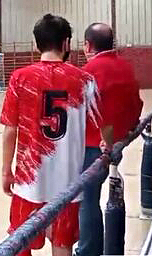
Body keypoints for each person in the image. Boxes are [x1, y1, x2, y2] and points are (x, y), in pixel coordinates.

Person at [0, 14, 100, 256]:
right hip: (68, 182)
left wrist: (6, 170)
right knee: (63, 244)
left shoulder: (20, 78)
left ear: (36, 44)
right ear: (67, 43)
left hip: (28, 181)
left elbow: (10, 129)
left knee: (20, 243)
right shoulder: (86, 80)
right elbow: (99, 131)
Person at [76, 23, 143, 256]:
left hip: (95, 147)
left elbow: (82, 112)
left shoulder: (90, 71)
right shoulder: (125, 67)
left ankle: (87, 251)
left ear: (87, 45)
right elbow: (137, 105)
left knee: (87, 200)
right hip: (118, 143)